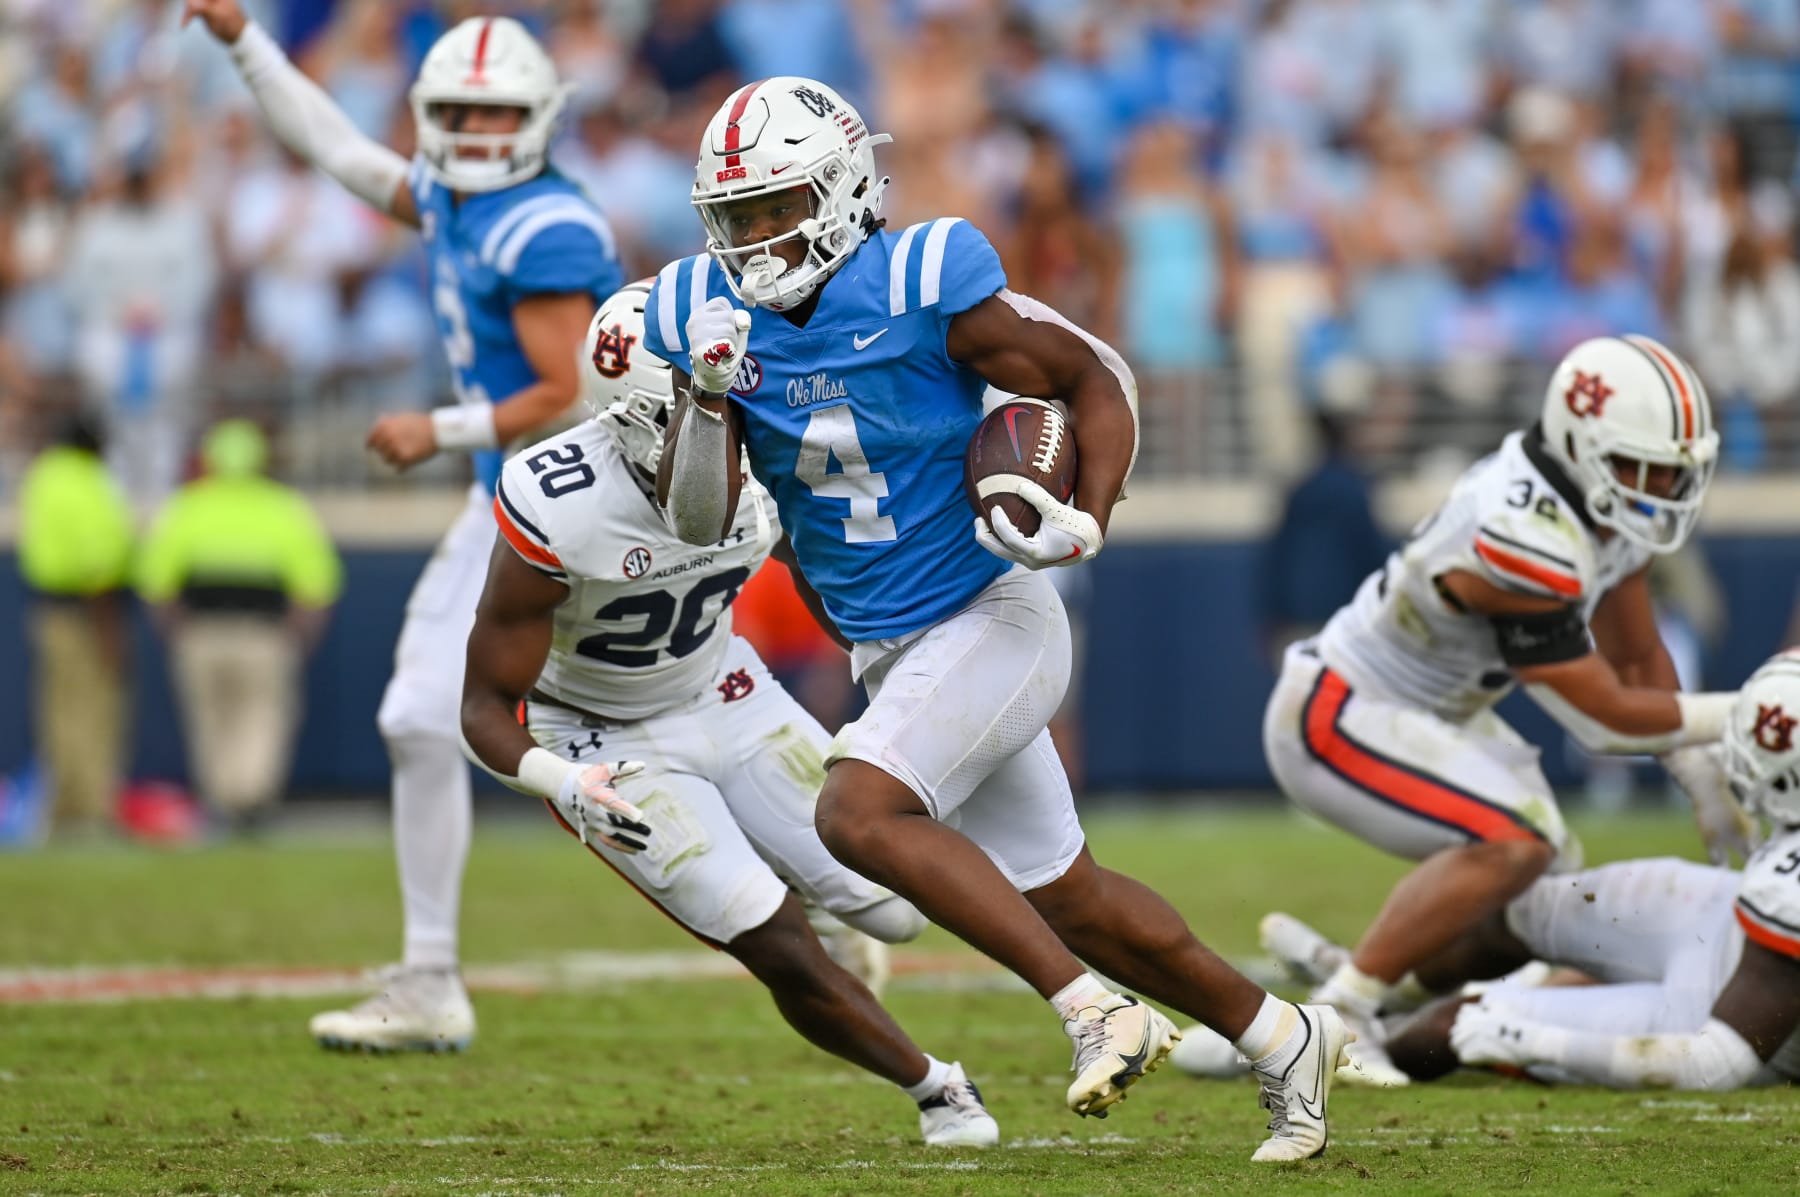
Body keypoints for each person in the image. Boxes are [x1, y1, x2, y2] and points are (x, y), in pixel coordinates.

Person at [648, 76, 1350, 1162]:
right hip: (893, 650)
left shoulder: (923, 277)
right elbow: (697, 515)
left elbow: (1091, 376)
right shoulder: (706, 313)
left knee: (858, 813)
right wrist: (700, 393)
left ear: (837, 194)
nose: (750, 239)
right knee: (1076, 898)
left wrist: (1089, 514)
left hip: (992, 612)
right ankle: (1284, 1034)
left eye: (773, 209)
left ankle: (1091, 1011)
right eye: (733, 217)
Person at [457, 284, 997, 1148]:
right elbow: (483, 704)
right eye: (701, 402)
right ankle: (937, 1090)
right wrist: (567, 782)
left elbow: (821, 570)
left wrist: (888, 678)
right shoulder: (558, 499)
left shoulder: (766, 461)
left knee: (897, 908)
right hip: (603, 735)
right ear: (644, 414)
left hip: (725, 690)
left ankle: (826, 907)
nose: (729, 419)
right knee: (766, 931)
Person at [186, 0, 623, 1051]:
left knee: (685, 732)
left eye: (493, 113)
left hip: (597, 504)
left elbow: (566, 391)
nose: (473, 133)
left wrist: (441, 425)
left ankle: (844, 900)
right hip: (507, 502)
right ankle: (430, 978)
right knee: (418, 720)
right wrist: (247, 42)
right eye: (457, 112)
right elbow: (334, 146)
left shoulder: (544, 224)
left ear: (536, 116)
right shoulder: (456, 200)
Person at [1259, 334, 1749, 1086]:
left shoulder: (1597, 499)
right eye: (1640, 466)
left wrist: (1699, 768)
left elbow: (1637, 660)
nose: (1660, 487)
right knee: (1518, 839)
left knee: (1548, 890)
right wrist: (1742, 715)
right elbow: (1602, 718)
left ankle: (1383, 990)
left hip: (1435, 712)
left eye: (1673, 470)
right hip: (1342, 709)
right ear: (1583, 446)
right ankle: (1339, 1012)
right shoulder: (1519, 531)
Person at [1268, 649, 1800, 1091]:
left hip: (1719, 1011)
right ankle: (1374, 989)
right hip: (1726, 916)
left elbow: (1716, 1063)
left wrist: (1526, 1039)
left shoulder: (1788, 892)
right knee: (1518, 910)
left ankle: (1314, 1044)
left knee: (1461, 1024)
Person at [134, 420, 343, 832]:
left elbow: (156, 584)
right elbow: (316, 587)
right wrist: (300, 636)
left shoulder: (187, 506)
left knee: (210, 720)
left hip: (201, 633)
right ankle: (250, 801)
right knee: (261, 717)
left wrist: (175, 632)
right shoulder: (283, 507)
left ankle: (221, 802)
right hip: (263, 635)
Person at [17, 414, 134, 839]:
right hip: (89, 611)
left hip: (49, 608)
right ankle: (91, 806)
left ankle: (65, 805)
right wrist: (109, 629)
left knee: (59, 711)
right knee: (95, 709)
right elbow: (97, 563)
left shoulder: (44, 478)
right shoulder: (86, 482)